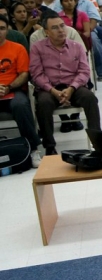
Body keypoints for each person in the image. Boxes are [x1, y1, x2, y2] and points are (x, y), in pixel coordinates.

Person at [29, 12, 101, 156]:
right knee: (43, 103)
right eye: (55, 28)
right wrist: (53, 91)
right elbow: (37, 74)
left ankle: (97, 142)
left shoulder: (77, 46)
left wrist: (71, 88)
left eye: (62, 26)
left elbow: (84, 71)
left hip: (73, 86)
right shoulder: (37, 48)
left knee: (90, 98)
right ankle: (49, 147)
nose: (61, 30)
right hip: (49, 88)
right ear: (46, 32)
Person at [0, 15, 42, 167]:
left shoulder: (17, 48)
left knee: (21, 105)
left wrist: (8, 87)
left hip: (13, 90)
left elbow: (24, 74)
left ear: (7, 30)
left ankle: (33, 149)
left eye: (2, 28)